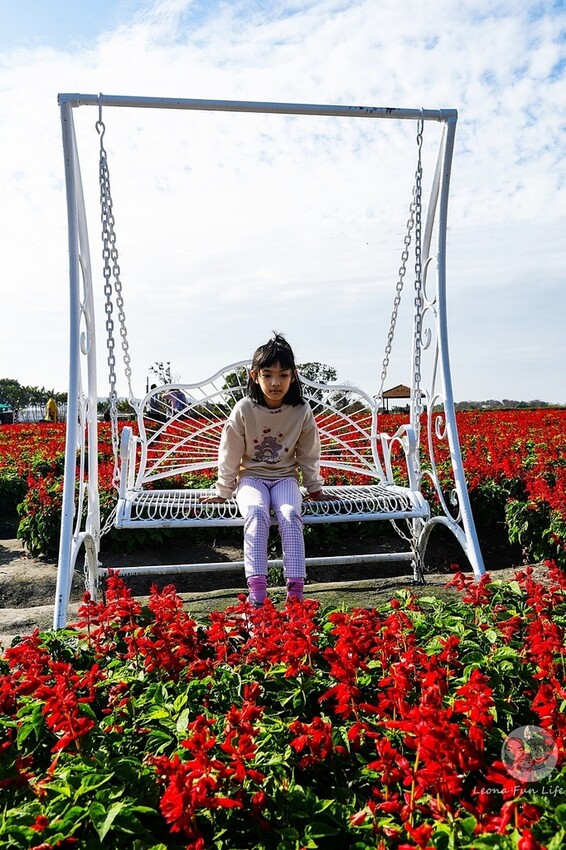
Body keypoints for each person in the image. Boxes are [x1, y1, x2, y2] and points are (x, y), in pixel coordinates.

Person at [204, 333, 325, 605]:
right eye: (268, 374)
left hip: (285, 479)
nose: (275, 382)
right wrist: (223, 490)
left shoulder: (301, 410)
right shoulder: (245, 408)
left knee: (290, 514)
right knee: (256, 515)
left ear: (293, 376)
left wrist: (314, 487)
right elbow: (230, 452)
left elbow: (308, 452)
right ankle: (257, 598)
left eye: (282, 375)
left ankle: (295, 598)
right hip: (251, 480)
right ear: (254, 375)